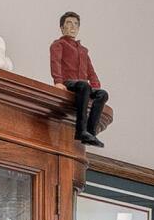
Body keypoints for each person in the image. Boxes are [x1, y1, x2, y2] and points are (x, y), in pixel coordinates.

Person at [48, 12, 113, 145]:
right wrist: (58, 81)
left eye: (76, 24)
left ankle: (90, 132)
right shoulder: (58, 44)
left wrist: (96, 85)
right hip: (69, 82)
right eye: (69, 23)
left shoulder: (83, 51)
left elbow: (91, 70)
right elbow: (55, 63)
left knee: (102, 94)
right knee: (84, 86)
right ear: (62, 27)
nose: (72, 27)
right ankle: (80, 130)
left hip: (83, 86)